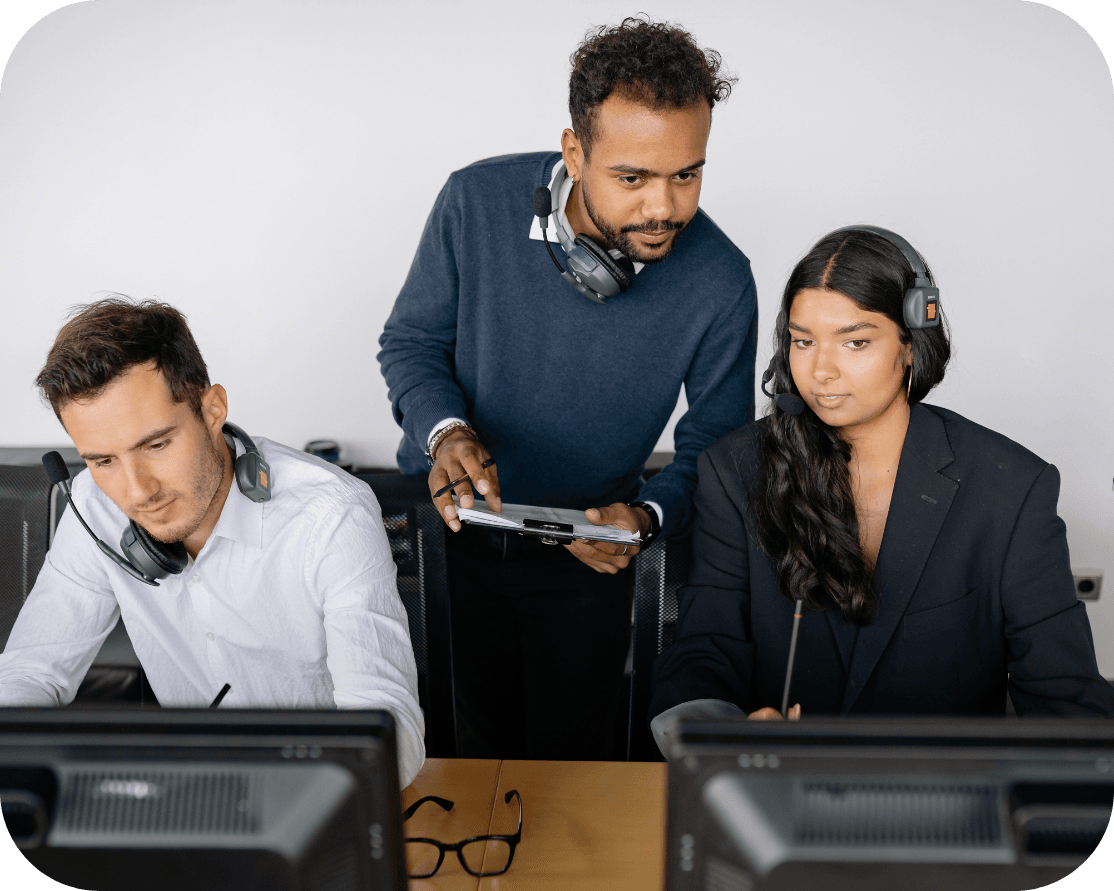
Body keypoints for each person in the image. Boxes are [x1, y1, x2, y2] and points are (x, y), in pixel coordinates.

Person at [378, 17, 758, 759]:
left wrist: (643, 520)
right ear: (575, 152)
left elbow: (714, 449)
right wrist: (446, 431)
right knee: (455, 754)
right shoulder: (473, 202)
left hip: (587, 558)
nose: (665, 207)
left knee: (572, 763)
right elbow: (412, 343)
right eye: (633, 177)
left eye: (687, 173)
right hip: (451, 542)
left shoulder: (720, 277)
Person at [650, 226, 1114, 756]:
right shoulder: (734, 472)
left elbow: (1065, 697)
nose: (821, 370)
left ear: (913, 345)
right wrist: (720, 732)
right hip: (770, 799)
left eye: (856, 341)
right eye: (803, 341)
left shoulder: (1010, 488)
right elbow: (703, 651)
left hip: (947, 813)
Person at [0, 297, 426, 787]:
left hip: (322, 800)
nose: (137, 492)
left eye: (156, 445)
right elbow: (31, 673)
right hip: (191, 801)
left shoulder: (330, 516)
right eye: (103, 461)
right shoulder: (93, 506)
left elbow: (390, 731)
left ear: (212, 409)